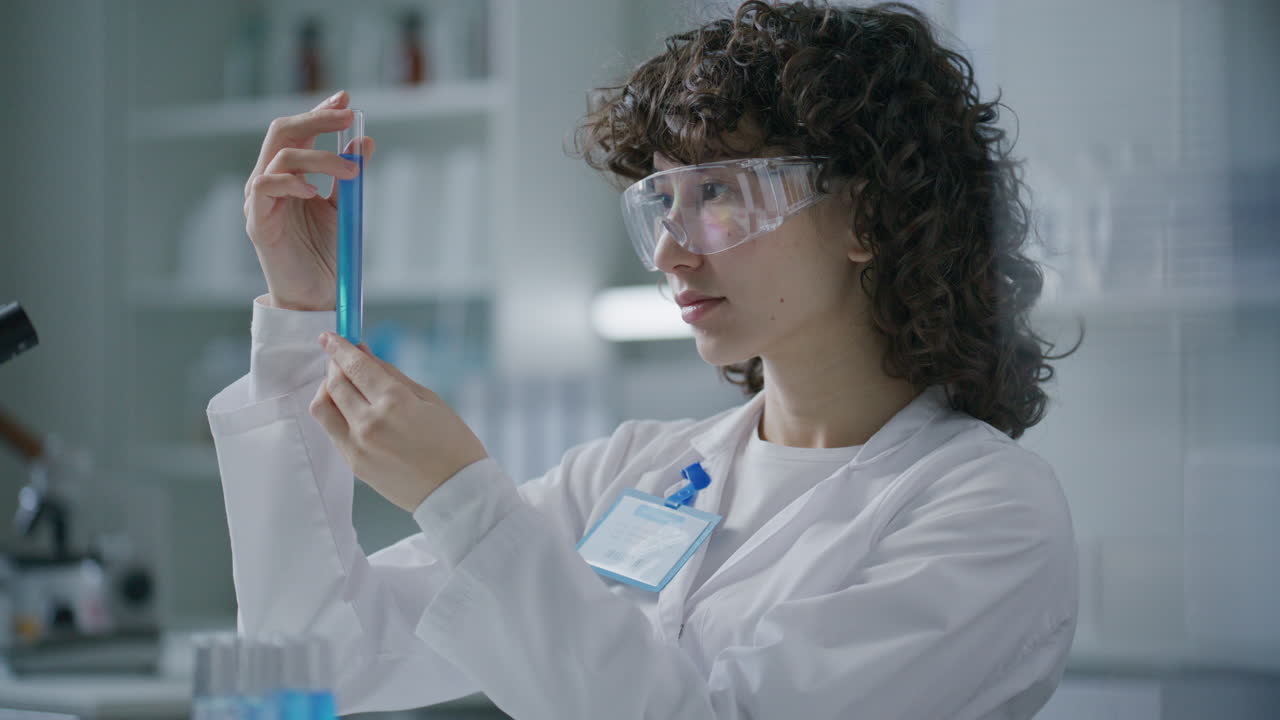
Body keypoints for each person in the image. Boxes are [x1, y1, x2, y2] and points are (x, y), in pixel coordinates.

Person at [207, 1, 1084, 717]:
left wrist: (463, 499)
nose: (669, 250)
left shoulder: (987, 509)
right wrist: (300, 317)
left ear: (864, 217)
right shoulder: (639, 474)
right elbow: (323, 652)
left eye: (720, 196)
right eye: (661, 201)